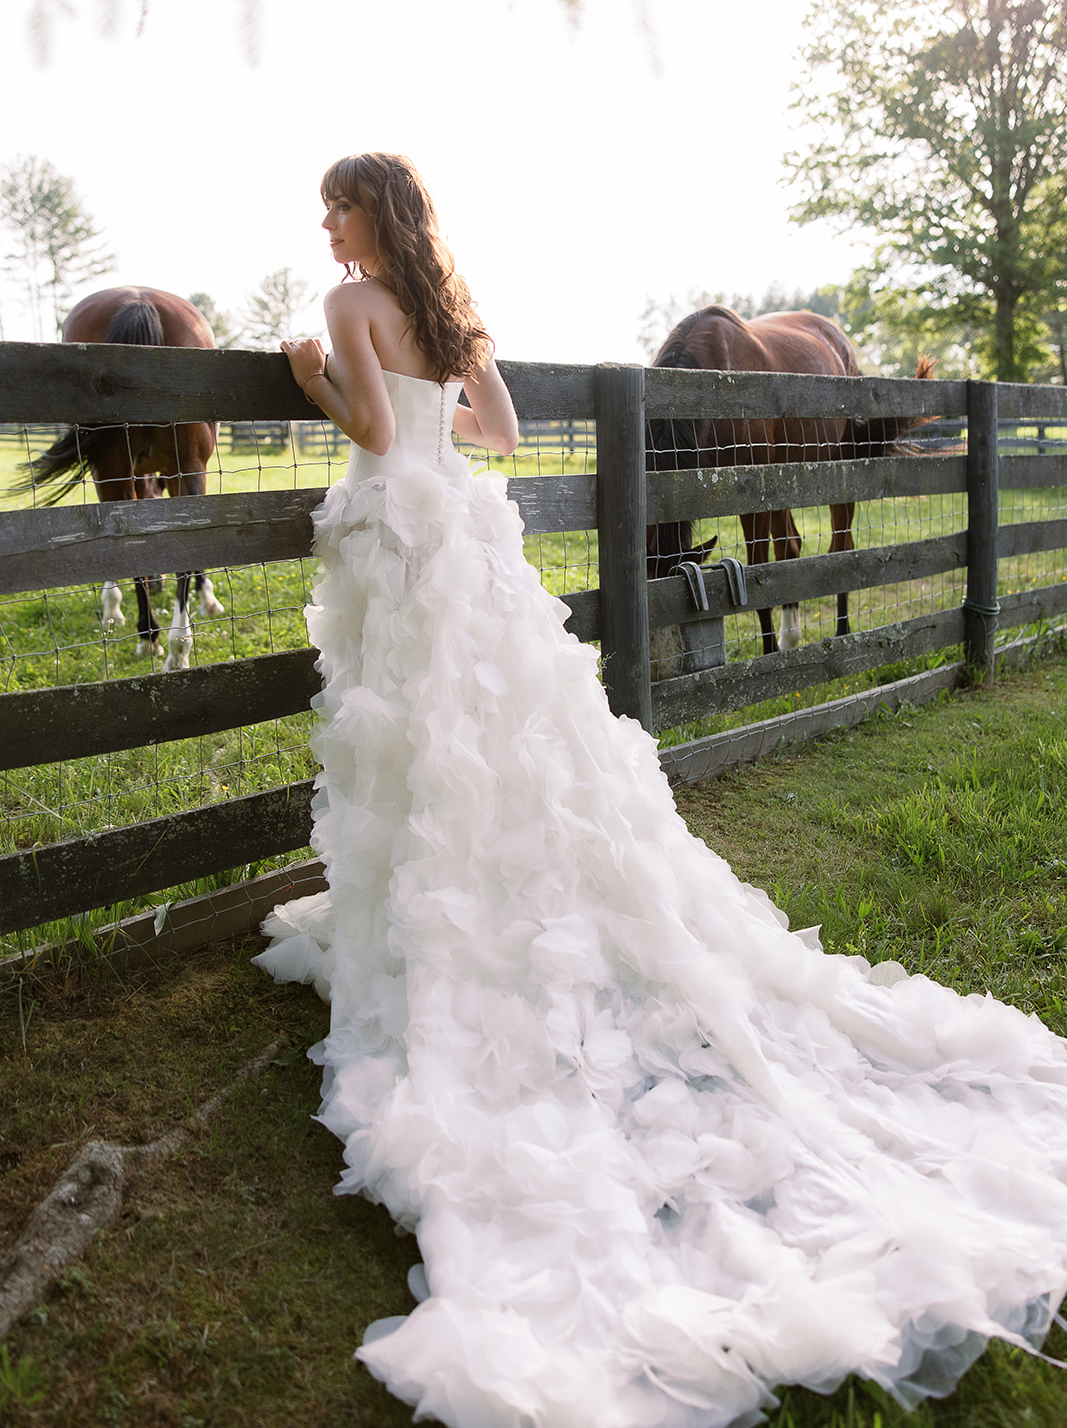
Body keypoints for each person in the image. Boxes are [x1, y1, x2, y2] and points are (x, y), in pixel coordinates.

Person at [254, 152, 1067, 1428]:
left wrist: (314, 377)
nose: (323, 223)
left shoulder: (348, 304)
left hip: (391, 525)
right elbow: (503, 435)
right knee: (495, 733)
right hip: (454, 520)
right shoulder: (455, 312)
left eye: (335, 206)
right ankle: (486, 885)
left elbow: (363, 430)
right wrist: (434, 423)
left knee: (417, 732)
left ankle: (434, 905)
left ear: (371, 213)